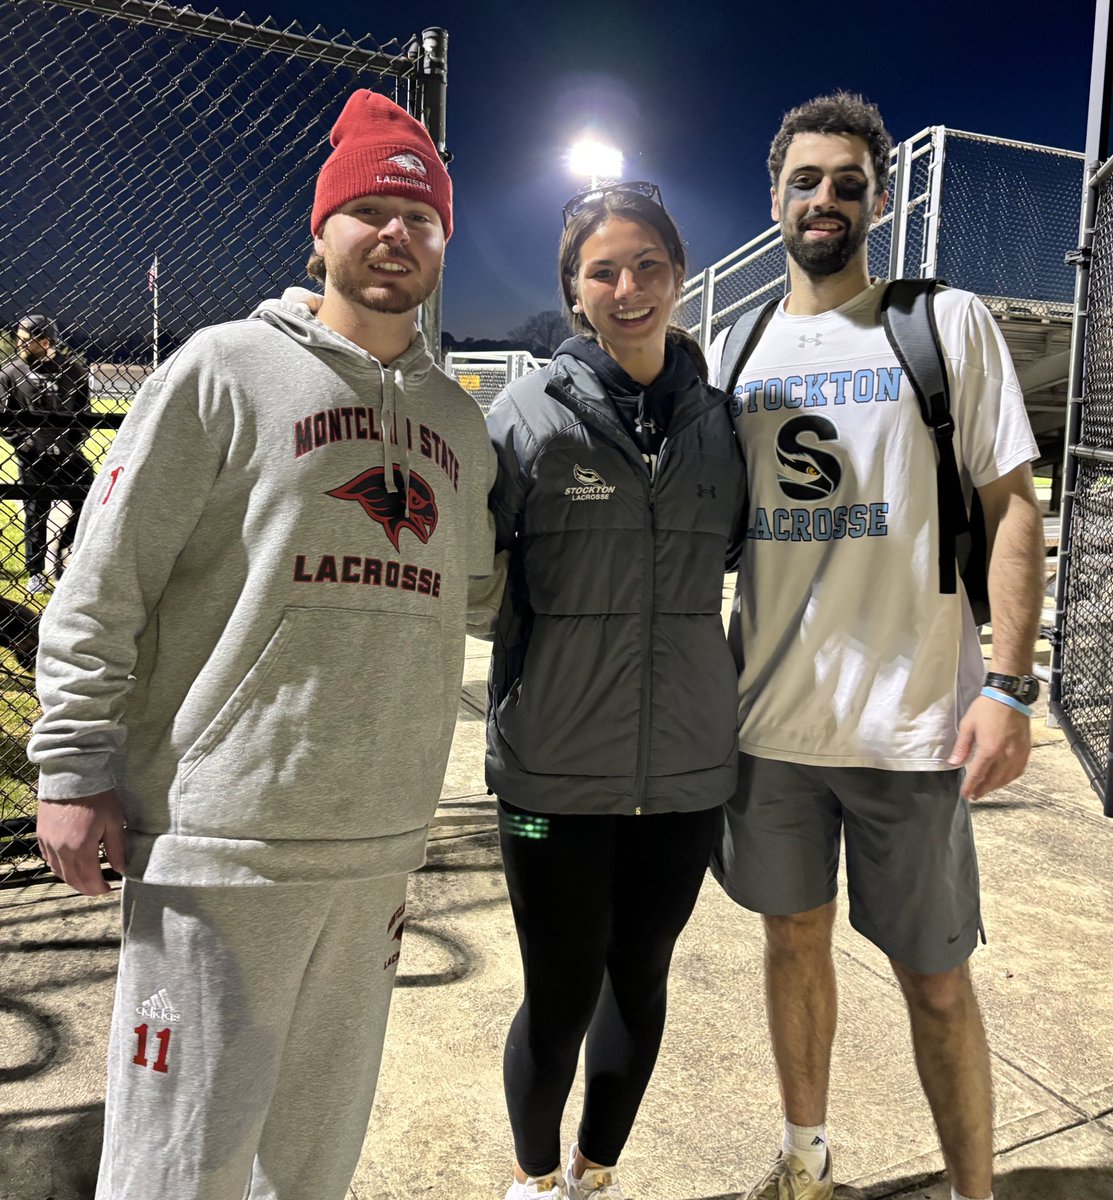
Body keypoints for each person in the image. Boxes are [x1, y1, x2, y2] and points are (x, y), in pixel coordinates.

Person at [30, 90, 497, 1200]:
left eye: (421, 217)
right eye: (372, 209)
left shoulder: (460, 423)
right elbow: (104, 583)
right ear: (321, 228)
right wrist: (73, 767)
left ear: (443, 243)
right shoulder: (223, 368)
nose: (397, 233)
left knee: (311, 1167)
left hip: (380, 840)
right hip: (220, 842)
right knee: (177, 1167)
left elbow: (479, 596)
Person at [707, 93, 1044, 1200]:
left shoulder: (942, 322)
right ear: (776, 197)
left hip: (915, 728)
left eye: (848, 182)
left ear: (880, 200)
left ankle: (974, 1190)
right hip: (772, 727)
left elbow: (1013, 507)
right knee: (791, 944)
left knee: (938, 984)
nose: (825, 200)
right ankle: (805, 1159)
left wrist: (1010, 687)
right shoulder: (739, 344)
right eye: (805, 180)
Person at [485, 181, 748, 1200]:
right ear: (574, 289)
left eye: (649, 265)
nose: (629, 286)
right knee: (558, 993)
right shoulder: (525, 414)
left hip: (685, 768)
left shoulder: (725, 426)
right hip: (555, 769)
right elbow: (474, 580)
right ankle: (533, 1179)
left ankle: (596, 1175)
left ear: (679, 277)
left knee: (640, 977)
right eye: (604, 270)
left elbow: (741, 555)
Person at [0, 313, 95, 593]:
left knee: (93, 497)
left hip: (67, 453)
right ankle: (35, 573)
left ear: (44, 341)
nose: (20, 345)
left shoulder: (73, 370)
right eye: (19, 339)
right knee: (35, 512)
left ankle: (66, 545)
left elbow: (83, 410)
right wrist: (25, 445)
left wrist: (73, 441)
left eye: (25, 341)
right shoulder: (9, 373)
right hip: (33, 457)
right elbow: (4, 419)